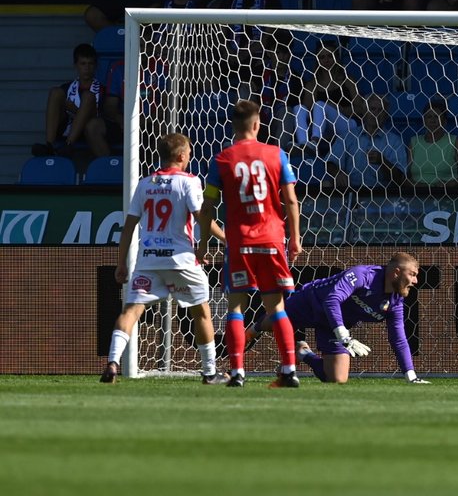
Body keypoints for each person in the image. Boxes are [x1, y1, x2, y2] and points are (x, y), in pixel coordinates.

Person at [101, 133, 227, 383]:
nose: (189, 156)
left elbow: (128, 227)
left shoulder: (145, 183)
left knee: (131, 310)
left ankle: (113, 362)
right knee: (201, 311)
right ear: (181, 155)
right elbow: (202, 216)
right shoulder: (190, 182)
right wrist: (226, 239)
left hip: (148, 259)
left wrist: (121, 262)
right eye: (189, 152)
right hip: (181, 259)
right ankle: (210, 372)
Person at [196, 99, 302, 388]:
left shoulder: (221, 160)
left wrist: (203, 245)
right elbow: (291, 199)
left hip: (239, 242)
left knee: (235, 308)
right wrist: (295, 238)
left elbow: (207, 207)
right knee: (276, 307)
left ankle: (238, 372)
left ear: (233, 125)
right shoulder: (276, 154)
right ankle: (289, 369)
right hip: (271, 239)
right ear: (257, 124)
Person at [245, 253, 429, 384]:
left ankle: (303, 353)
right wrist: (344, 336)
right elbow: (332, 300)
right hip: (311, 302)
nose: (415, 281)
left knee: (336, 378)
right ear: (396, 272)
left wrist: (410, 376)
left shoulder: (395, 301)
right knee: (274, 322)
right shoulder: (362, 275)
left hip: (332, 324)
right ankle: (254, 329)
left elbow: (398, 338)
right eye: (412, 275)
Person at [32, 44, 115, 160]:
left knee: (88, 96)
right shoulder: (67, 88)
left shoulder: (103, 90)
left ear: (95, 66)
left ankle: (69, 145)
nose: (87, 68)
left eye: (90, 64)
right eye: (83, 64)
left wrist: (74, 110)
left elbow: (99, 117)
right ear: (75, 65)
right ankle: (49, 145)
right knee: (55, 92)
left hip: (89, 131)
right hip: (67, 127)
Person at [329, 93, 408, 189]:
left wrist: (383, 162)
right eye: (373, 109)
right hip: (351, 193)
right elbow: (330, 162)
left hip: (382, 196)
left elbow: (400, 179)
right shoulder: (348, 136)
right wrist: (338, 173)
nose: (376, 114)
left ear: (386, 115)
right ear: (365, 111)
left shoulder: (395, 141)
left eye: (380, 111)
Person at [407, 97, 458, 187]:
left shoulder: (454, 142)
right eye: (429, 117)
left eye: (437, 117)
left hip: (446, 194)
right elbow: (404, 178)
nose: (432, 120)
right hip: (418, 194)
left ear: (444, 122)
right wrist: (417, 186)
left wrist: (450, 184)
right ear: (424, 121)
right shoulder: (414, 142)